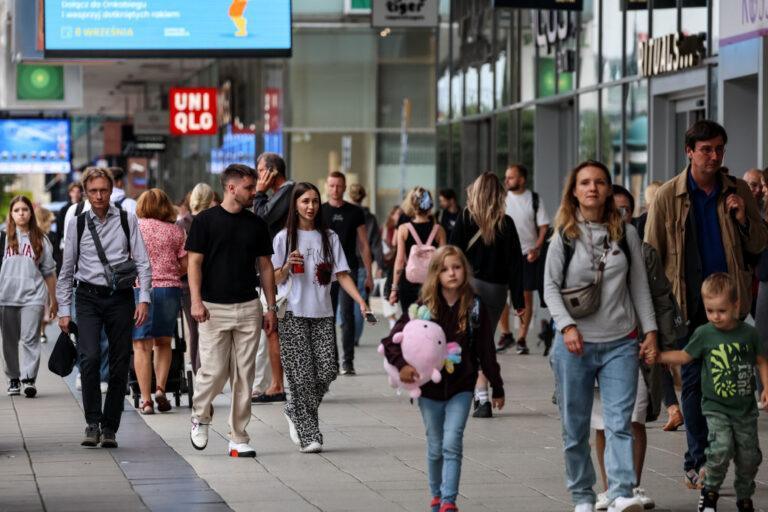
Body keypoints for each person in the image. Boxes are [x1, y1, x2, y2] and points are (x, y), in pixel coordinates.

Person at [644, 120, 768, 489]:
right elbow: (652, 255)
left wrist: (743, 218)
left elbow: (759, 244)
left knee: (730, 383)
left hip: (729, 303)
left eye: (719, 149)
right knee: (694, 382)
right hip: (688, 305)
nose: (714, 156)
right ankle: (697, 460)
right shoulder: (668, 196)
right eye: (706, 149)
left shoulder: (738, 190)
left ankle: (725, 451)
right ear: (689, 152)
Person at [544, 160, 658, 512]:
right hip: (574, 345)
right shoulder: (564, 235)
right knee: (575, 428)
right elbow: (549, 288)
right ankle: (582, 495)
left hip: (621, 342)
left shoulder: (627, 234)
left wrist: (650, 331)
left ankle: (621, 491)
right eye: (585, 182)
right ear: (574, 191)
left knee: (619, 422)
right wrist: (567, 327)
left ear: (609, 189)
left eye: (599, 182)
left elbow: (639, 287)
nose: (592, 188)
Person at [382, 245, 505, 512]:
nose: (452, 273)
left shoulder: (475, 306)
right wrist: (402, 366)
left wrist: (497, 386)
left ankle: (449, 501)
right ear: (435, 274)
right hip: (429, 390)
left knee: (452, 442)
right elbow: (391, 341)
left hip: (462, 386)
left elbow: (486, 350)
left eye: (457, 267)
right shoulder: (423, 307)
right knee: (436, 445)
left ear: (465, 271)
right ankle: (436, 496)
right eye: (445, 269)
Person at [57, 167, 152, 449]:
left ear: (112, 190)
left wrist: (144, 298)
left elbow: (142, 261)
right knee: (89, 358)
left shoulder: (126, 219)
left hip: (120, 297)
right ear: (86, 192)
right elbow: (67, 269)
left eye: (103, 190)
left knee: (120, 361)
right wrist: (64, 310)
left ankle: (110, 426)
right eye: (93, 191)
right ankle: (92, 422)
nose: (99, 196)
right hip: (87, 297)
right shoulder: (77, 223)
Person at [186, 164, 277, 458]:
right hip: (212, 308)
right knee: (214, 371)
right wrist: (196, 301)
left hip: (249, 306)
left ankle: (238, 436)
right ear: (231, 188)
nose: (254, 192)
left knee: (244, 375)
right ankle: (200, 415)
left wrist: (270, 307)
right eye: (249, 188)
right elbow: (194, 263)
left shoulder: (257, 224)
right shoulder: (205, 221)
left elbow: (265, 266)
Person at [273, 182, 369, 453]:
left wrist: (361, 301)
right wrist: (286, 267)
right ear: (295, 205)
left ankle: (294, 409)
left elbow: (342, 274)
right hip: (292, 312)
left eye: (315, 201)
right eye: (305, 201)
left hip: (323, 313)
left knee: (327, 370)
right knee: (302, 377)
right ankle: (309, 435)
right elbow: (273, 278)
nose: (311, 206)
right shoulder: (283, 238)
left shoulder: (330, 237)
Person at [659, 273, 768, 512]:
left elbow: (761, 360)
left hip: (745, 410)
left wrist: (766, 386)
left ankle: (744, 497)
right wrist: (660, 356)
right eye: (710, 311)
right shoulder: (704, 333)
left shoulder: (748, 334)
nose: (715, 317)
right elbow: (685, 356)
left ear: (736, 306)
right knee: (720, 448)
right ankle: (709, 493)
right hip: (716, 407)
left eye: (721, 311)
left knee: (749, 457)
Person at [449, 172, 524, 418]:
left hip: (469, 288)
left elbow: (451, 254)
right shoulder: (506, 223)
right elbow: (516, 265)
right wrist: (519, 301)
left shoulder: (464, 219)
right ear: (499, 195)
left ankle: (480, 396)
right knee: (484, 340)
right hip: (496, 291)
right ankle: (481, 396)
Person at [133, 189, 187, 415]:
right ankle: (160, 389)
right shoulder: (176, 231)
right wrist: (169, 272)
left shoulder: (135, 228)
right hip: (169, 290)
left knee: (141, 345)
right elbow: (184, 265)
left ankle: (146, 400)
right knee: (164, 342)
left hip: (140, 290)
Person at [1, 196, 57, 397]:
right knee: (9, 342)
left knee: (30, 339)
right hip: (5, 297)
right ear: (11, 214)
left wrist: (54, 299)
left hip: (33, 297)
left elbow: (49, 272)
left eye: (25, 209)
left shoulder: (40, 239)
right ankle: (13, 378)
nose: (21, 213)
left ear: (31, 213)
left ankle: (28, 379)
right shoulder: (3, 237)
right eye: (17, 210)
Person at [252, 152, 295, 403]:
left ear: (272, 172)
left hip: (281, 270)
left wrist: (259, 193)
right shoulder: (281, 194)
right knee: (271, 331)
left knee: (271, 329)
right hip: (276, 266)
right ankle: (272, 383)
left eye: (261, 171)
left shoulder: (287, 191)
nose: (258, 177)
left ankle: (274, 384)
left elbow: (261, 218)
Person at [321, 171, 374, 376]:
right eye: (332, 185)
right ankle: (332, 362)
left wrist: (369, 273)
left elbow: (364, 244)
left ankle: (348, 362)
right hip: (325, 271)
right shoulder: (320, 210)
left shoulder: (355, 212)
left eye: (339, 185)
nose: (335, 189)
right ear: (327, 187)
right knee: (328, 316)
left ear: (344, 187)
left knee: (347, 315)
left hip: (349, 269)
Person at [498, 164, 550, 354]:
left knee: (526, 297)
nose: (506, 181)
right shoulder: (502, 199)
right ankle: (506, 333)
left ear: (521, 179)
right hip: (504, 254)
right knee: (501, 295)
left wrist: (537, 247)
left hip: (528, 254)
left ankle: (521, 338)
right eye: (506, 177)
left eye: (511, 177)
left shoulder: (534, 199)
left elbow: (544, 226)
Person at [389, 187, 447, 312]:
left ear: (412, 205)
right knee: (432, 319)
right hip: (432, 285)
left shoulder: (403, 229)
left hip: (408, 283)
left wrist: (394, 289)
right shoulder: (439, 230)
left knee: (410, 319)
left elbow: (399, 262)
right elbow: (443, 261)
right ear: (430, 206)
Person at [179, 183, 214, 375]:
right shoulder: (212, 221)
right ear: (211, 199)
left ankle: (198, 373)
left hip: (186, 285)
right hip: (210, 282)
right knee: (210, 331)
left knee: (194, 332)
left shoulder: (181, 224)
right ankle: (206, 371)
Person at [348, 183, 384, 347]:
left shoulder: (347, 213)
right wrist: (380, 265)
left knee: (345, 299)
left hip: (347, 262)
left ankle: (347, 332)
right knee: (361, 300)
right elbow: (376, 244)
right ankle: (355, 337)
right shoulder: (370, 218)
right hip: (363, 264)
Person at [34, 206, 56, 344]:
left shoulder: (48, 237)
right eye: (50, 221)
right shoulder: (33, 237)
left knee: (44, 307)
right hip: (36, 280)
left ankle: (41, 331)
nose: (51, 224)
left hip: (46, 278)